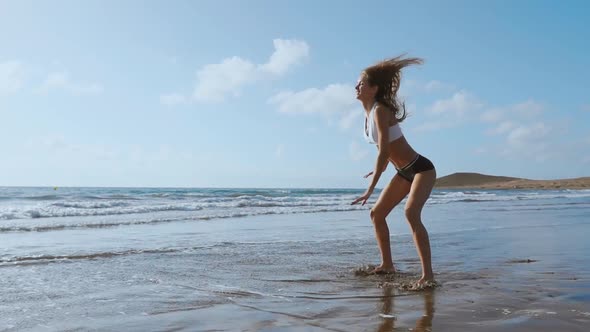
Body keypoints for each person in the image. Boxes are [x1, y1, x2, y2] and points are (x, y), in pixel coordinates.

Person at [351, 55, 436, 287]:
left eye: (361, 83)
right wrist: (375, 170)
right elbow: (385, 151)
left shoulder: (379, 110)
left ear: (374, 88)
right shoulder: (368, 115)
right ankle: (387, 265)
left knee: (411, 214)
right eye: (357, 83)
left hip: (421, 170)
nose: (356, 86)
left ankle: (428, 276)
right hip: (403, 172)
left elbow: (384, 152)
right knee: (376, 215)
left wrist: (371, 188)